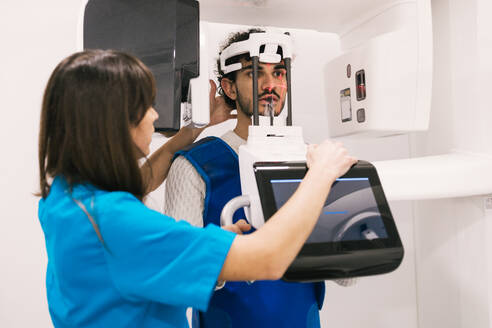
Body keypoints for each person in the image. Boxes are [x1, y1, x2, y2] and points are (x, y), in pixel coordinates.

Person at [37, 49, 356, 328]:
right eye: (146, 104)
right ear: (111, 120)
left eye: (279, 72)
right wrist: (320, 176)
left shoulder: (64, 197)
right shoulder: (123, 220)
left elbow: (348, 271)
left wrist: (190, 132)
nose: (155, 115)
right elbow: (268, 259)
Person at [164, 29, 352, 328]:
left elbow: (349, 276)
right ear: (230, 87)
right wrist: (224, 260)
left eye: (279, 73)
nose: (270, 85)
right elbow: (179, 275)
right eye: (254, 73)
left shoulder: (315, 164)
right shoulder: (195, 166)